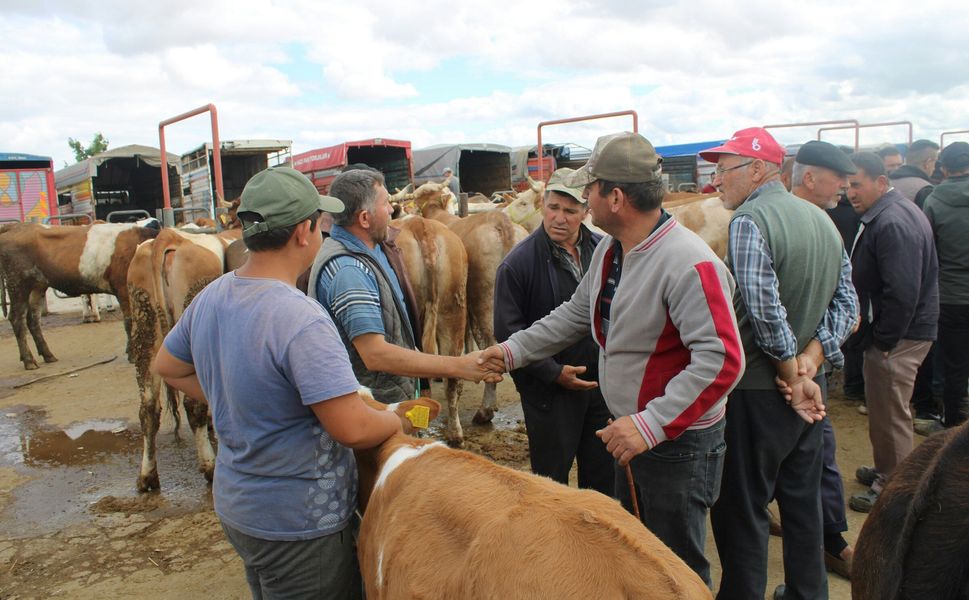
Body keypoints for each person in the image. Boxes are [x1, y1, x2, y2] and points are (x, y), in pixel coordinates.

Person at [480, 132, 744, 586]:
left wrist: (650, 424)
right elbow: (576, 314)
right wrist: (511, 351)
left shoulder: (687, 263)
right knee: (638, 559)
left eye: (590, 189)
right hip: (633, 435)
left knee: (672, 569)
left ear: (615, 197)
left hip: (674, 446)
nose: (584, 199)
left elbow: (722, 360)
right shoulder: (610, 250)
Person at [153, 166, 408, 599]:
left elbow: (168, 366)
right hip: (300, 522)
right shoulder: (301, 318)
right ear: (303, 232)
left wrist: (231, 398)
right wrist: (397, 420)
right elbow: (352, 428)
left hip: (240, 506)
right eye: (319, 221)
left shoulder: (214, 294)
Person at [702, 127, 855, 600]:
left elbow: (764, 309)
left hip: (759, 392)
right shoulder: (823, 221)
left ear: (756, 169)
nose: (715, 181)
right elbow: (848, 304)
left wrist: (791, 370)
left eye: (723, 170)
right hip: (812, 394)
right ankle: (809, 593)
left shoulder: (749, 221)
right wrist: (814, 358)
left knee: (742, 507)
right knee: (802, 501)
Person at [308, 168, 495, 404]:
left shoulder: (371, 251)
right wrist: (459, 365)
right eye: (385, 203)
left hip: (387, 400)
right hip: (376, 410)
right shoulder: (350, 272)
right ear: (365, 218)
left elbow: (393, 334)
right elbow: (375, 355)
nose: (391, 209)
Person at [493, 167, 613, 496]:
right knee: (550, 485)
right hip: (549, 395)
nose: (559, 218)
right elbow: (506, 331)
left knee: (603, 480)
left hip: (601, 387)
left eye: (570, 210)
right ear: (543, 205)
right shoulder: (517, 264)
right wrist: (553, 372)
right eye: (553, 207)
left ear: (586, 211)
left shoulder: (605, 251)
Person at [845, 152, 939, 513]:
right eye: (848, 184)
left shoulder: (892, 222)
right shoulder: (888, 213)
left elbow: (902, 291)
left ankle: (894, 488)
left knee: (891, 413)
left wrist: (885, 340)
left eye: (857, 184)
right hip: (900, 332)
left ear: (880, 183)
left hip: (899, 336)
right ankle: (889, 469)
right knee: (886, 410)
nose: (851, 192)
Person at [789, 140, 861, 579]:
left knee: (816, 455)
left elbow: (847, 305)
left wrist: (807, 361)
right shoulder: (760, 223)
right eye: (839, 178)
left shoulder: (827, 227)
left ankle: (830, 540)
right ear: (811, 178)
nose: (846, 187)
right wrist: (805, 362)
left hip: (791, 376)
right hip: (779, 376)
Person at [921, 141, 969, 429]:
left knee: (955, 367)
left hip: (950, 295)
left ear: (943, 168)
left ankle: (953, 429)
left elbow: (929, 251)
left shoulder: (934, 201)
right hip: (952, 292)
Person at [889, 139, 939, 208]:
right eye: (935, 161)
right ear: (928, 162)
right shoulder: (925, 189)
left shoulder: (888, 182)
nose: (934, 167)